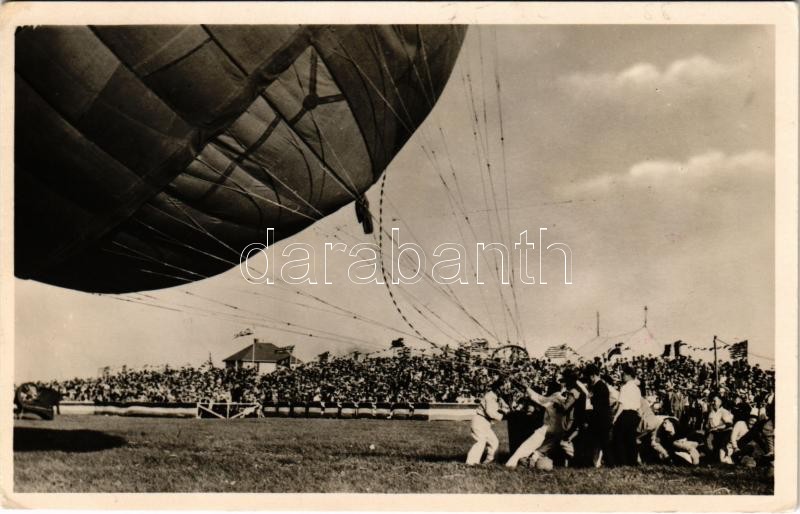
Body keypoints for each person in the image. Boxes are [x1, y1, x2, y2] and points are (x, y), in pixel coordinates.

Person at [505, 381, 566, 468]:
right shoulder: (564, 399)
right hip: (560, 431)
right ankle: (531, 462)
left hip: (548, 429)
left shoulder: (553, 398)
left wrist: (527, 389)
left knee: (527, 446)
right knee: (542, 451)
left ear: (551, 389)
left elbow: (539, 399)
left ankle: (511, 464)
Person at [466, 379, 510, 465]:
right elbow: (490, 413)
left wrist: (509, 411)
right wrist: (504, 416)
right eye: (502, 388)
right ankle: (471, 463)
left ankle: (490, 462)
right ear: (497, 388)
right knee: (481, 442)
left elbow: (505, 407)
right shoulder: (490, 396)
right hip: (479, 420)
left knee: (494, 442)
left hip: (485, 422)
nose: (504, 390)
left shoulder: (497, 397)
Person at [612, 364, 641, 466]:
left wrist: (615, 417)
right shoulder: (637, 389)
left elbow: (622, 404)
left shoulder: (624, 388)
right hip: (634, 414)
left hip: (625, 414)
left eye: (623, 374)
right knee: (631, 439)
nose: (622, 376)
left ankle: (622, 462)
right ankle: (633, 461)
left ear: (628, 375)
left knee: (619, 438)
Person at [584, 364, 613, 467]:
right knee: (603, 443)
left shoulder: (599, 387)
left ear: (592, 376)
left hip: (600, 419)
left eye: (588, 376)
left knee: (598, 443)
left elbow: (596, 405)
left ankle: (606, 464)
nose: (588, 379)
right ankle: (609, 464)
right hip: (602, 419)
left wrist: (590, 399)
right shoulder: (600, 386)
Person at [705, 392, 734, 462]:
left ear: (720, 402)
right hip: (711, 433)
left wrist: (716, 428)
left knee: (717, 453)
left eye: (715, 401)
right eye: (712, 401)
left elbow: (729, 424)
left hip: (721, 434)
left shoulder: (724, 412)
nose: (713, 403)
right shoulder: (711, 412)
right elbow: (708, 424)